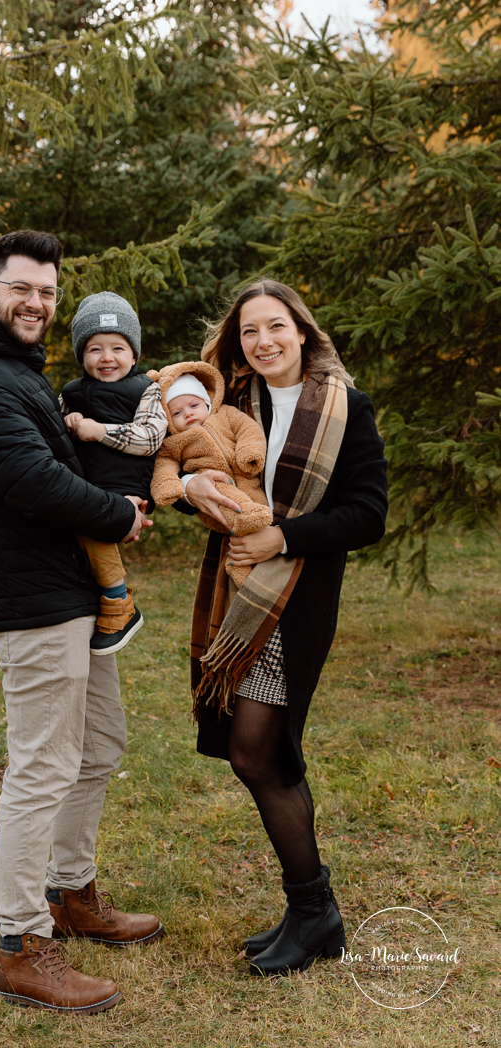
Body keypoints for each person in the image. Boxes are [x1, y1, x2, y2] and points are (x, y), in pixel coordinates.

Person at [0, 230, 163, 1016]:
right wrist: (118, 515)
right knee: (41, 765)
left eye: (47, 293)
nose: (34, 302)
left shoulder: (12, 370)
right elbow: (32, 480)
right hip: (32, 602)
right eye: (21, 287)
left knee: (97, 745)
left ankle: (70, 893)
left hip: (68, 592)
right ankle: (22, 945)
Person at [181, 280, 388, 976]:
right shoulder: (230, 406)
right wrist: (194, 493)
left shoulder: (343, 409)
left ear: (301, 331)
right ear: (236, 344)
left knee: (256, 752)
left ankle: (314, 911)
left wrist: (285, 537)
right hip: (235, 597)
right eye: (248, 333)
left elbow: (367, 513)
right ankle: (312, 912)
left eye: (275, 327)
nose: (263, 342)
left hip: (294, 605)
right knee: (265, 756)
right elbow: (199, 476)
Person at [61, 291, 166, 654]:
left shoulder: (147, 391)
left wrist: (101, 430)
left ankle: (119, 602)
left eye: (117, 348)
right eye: (95, 349)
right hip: (84, 481)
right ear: (81, 355)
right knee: (77, 530)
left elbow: (151, 437)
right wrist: (69, 421)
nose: (107, 358)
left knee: (93, 528)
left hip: (126, 485)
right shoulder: (71, 393)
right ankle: (96, 596)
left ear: (134, 354)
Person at [148, 359, 272, 587]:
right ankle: (245, 524)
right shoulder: (173, 442)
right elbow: (164, 464)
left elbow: (249, 429)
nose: (188, 414)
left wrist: (249, 451)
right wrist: (167, 485)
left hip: (246, 479)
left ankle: (240, 565)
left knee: (258, 517)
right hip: (213, 487)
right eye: (177, 412)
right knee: (232, 506)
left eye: (194, 405)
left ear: (207, 402)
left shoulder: (226, 414)